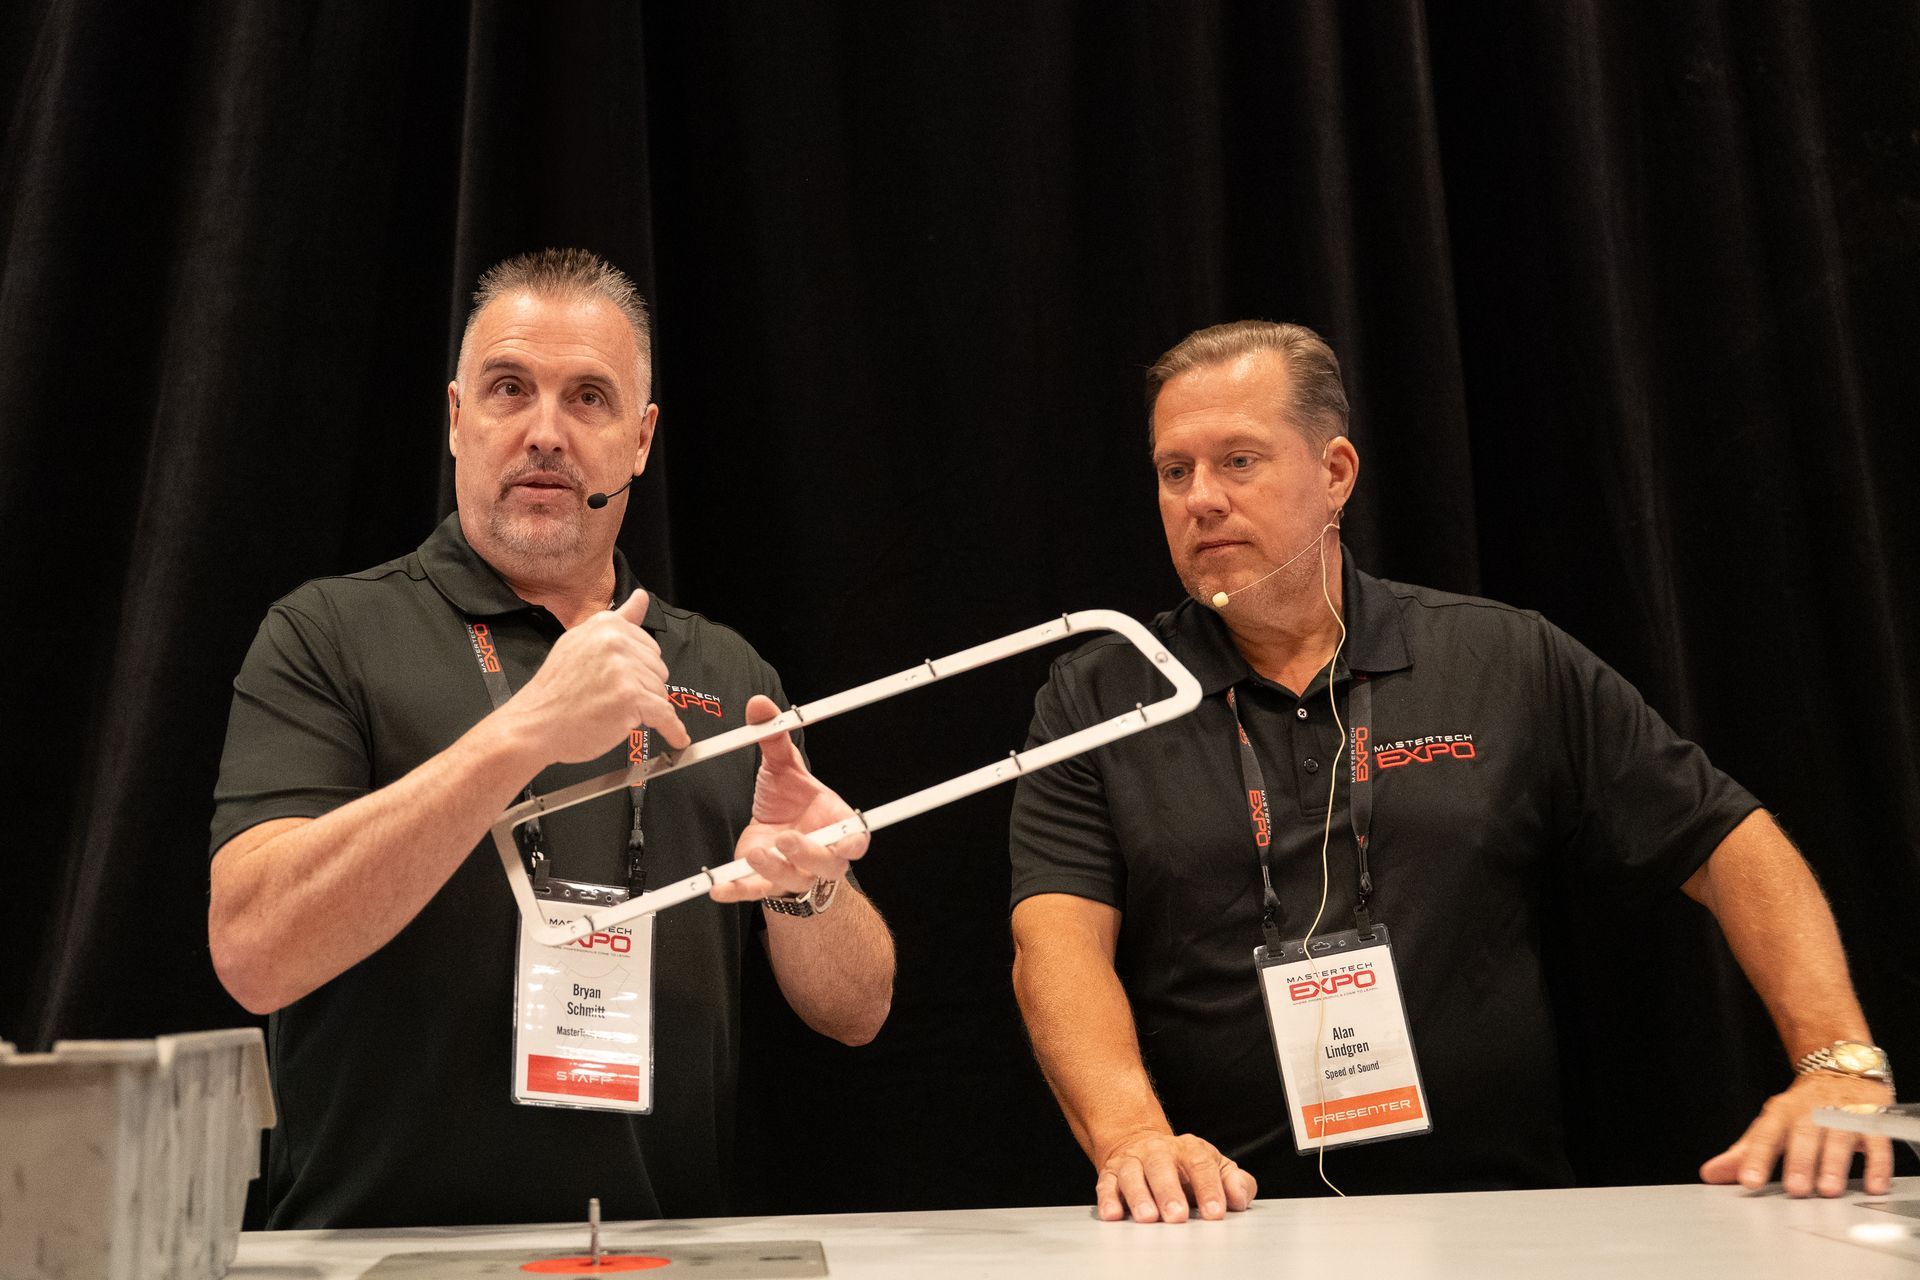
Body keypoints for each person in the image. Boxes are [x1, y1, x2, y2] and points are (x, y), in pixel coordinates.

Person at [1009, 320, 1894, 1223]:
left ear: (1336, 473)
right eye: (1175, 471)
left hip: (1496, 1217)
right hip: (1218, 1222)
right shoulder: (1099, 696)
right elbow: (1057, 945)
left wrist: (1837, 1059)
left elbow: (1727, 840)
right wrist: (1131, 1137)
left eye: (1239, 461)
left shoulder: (1504, 658)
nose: (1201, 499)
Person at [208, 249, 894, 1229]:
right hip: (375, 1257)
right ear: (456, 418)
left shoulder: (731, 672)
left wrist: (808, 887)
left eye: (588, 398)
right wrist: (525, 730)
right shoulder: (328, 635)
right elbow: (254, 949)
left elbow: (860, 1006)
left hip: (659, 1255)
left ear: (642, 438)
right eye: (508, 389)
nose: (544, 432)